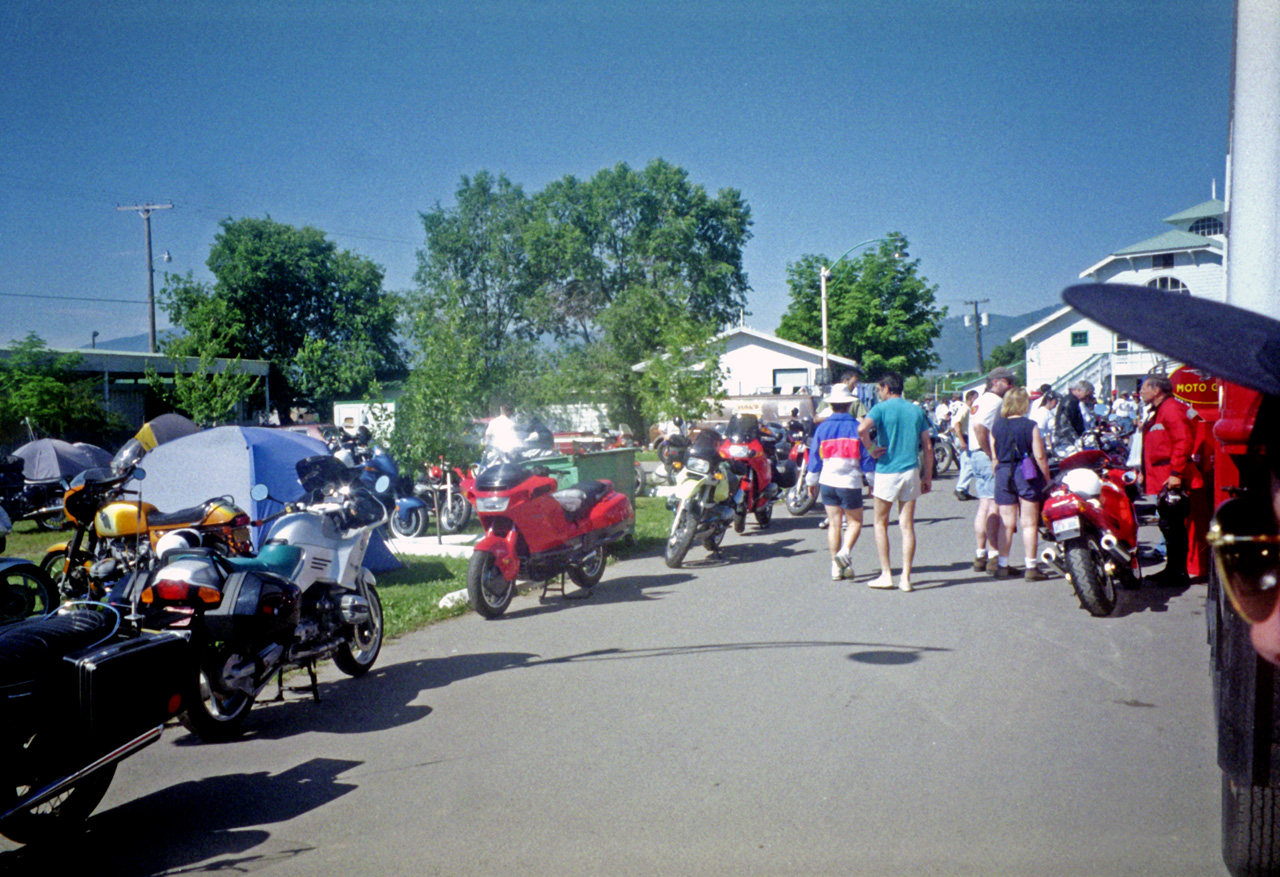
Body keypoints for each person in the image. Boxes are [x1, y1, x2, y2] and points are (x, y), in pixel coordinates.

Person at [858, 371, 932, 592]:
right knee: (907, 525)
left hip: (887, 470)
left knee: (880, 523)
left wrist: (871, 449)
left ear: (887, 388)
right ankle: (906, 578)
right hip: (911, 469)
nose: (879, 394)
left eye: (880, 389)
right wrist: (927, 475)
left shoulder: (880, 409)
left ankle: (886, 574)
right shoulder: (916, 410)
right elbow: (927, 446)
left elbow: (862, 429)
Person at [1139, 374, 1204, 588]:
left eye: (1144, 388)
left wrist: (1176, 473)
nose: (1140, 392)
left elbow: (1183, 441)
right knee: (1169, 526)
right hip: (1162, 477)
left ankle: (1178, 573)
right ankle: (1173, 569)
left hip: (1172, 478)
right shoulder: (1159, 411)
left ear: (1157, 390)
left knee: (1173, 526)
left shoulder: (1171, 409)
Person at [805, 385, 865, 581]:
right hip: (850, 481)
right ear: (849, 405)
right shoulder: (857, 427)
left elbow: (814, 457)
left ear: (831, 404)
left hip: (827, 481)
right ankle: (844, 553)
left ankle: (835, 567)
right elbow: (866, 457)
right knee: (855, 522)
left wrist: (811, 480)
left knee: (834, 524)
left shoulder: (822, 428)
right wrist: (872, 480)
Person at [992, 386, 1052, 580]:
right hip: (1025, 473)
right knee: (1029, 523)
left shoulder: (997, 426)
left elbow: (994, 456)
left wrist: (998, 474)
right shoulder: (1030, 425)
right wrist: (1047, 480)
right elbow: (1040, 455)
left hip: (1003, 472)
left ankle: (1002, 565)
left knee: (1006, 523)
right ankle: (1031, 567)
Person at [970, 367, 1015, 572]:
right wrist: (991, 453)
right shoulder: (994, 401)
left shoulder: (979, 400)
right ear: (996, 382)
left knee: (984, 504)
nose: (1011, 386)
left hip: (975, 453)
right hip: (984, 452)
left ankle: (981, 553)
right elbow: (980, 428)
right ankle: (994, 553)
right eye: (1008, 382)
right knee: (993, 506)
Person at [951, 389, 979, 500]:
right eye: (976, 398)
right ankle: (960, 488)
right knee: (969, 465)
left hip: (964, 437)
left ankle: (964, 490)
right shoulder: (965, 409)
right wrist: (962, 440)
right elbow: (956, 425)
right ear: (971, 398)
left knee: (965, 464)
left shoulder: (968, 409)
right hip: (963, 437)